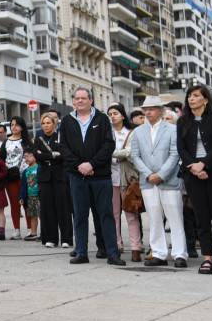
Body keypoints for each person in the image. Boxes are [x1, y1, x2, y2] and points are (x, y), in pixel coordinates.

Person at [60, 88, 125, 266]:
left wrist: (92, 164)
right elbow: (63, 147)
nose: (80, 101)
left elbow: (108, 144)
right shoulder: (66, 121)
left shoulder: (102, 119)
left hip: (100, 176)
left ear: (91, 100)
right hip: (77, 176)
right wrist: (79, 166)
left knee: (106, 215)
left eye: (84, 98)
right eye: (77, 98)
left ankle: (112, 253)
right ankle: (81, 252)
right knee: (80, 216)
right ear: (73, 101)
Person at [177, 85, 212, 275]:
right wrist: (194, 166)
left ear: (205, 99)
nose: (192, 99)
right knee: (201, 217)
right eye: (189, 96)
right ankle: (207, 258)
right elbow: (181, 148)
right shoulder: (183, 121)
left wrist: (204, 164)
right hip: (193, 173)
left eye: (196, 96)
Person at [129, 95, 187, 268]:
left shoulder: (171, 129)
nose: (148, 112)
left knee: (175, 217)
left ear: (161, 111)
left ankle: (179, 254)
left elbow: (175, 153)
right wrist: (148, 174)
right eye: (145, 109)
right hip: (148, 182)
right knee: (154, 218)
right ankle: (159, 253)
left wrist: (161, 174)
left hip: (169, 180)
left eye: (152, 109)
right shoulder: (138, 131)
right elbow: (135, 155)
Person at [107, 103, 142, 262]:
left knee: (131, 213)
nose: (112, 116)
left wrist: (108, 152)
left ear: (123, 115)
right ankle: (117, 244)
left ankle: (136, 247)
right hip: (109, 177)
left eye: (115, 113)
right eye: (109, 114)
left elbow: (130, 153)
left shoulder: (132, 133)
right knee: (113, 215)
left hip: (127, 179)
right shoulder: (105, 133)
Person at [32, 112, 72, 249]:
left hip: (60, 176)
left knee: (63, 207)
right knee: (47, 208)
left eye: (48, 123)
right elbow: (37, 156)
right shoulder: (38, 139)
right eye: (43, 123)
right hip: (44, 177)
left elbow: (64, 156)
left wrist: (47, 156)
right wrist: (52, 155)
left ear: (54, 124)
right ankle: (50, 238)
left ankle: (66, 238)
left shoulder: (60, 137)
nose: (45, 126)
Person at [2, 117, 29, 240]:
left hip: (26, 176)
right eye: (12, 125)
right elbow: (2, 160)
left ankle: (30, 229)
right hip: (11, 177)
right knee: (14, 203)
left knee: (26, 203)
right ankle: (16, 229)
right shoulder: (6, 142)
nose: (14, 127)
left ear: (22, 127)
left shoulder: (27, 141)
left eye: (17, 125)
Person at [19, 151, 40, 240]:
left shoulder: (39, 168)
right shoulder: (25, 171)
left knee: (42, 215)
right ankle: (33, 233)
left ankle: (45, 232)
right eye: (25, 156)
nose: (27, 158)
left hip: (39, 195)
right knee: (32, 215)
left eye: (30, 156)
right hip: (30, 196)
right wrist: (21, 196)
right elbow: (23, 185)